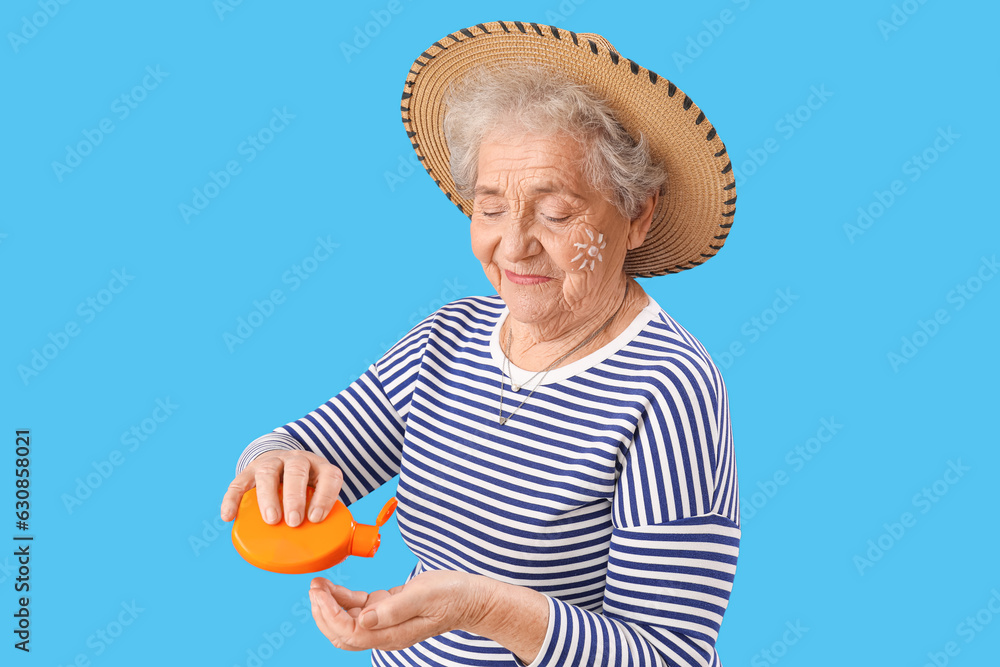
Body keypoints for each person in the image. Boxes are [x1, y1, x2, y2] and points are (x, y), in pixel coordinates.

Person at [220, 20, 739, 667]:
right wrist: (275, 461)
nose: (514, 244)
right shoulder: (449, 336)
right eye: (491, 207)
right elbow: (302, 444)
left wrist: (485, 609)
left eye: (554, 212)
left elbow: (671, 656)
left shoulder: (670, 388)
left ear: (638, 213)